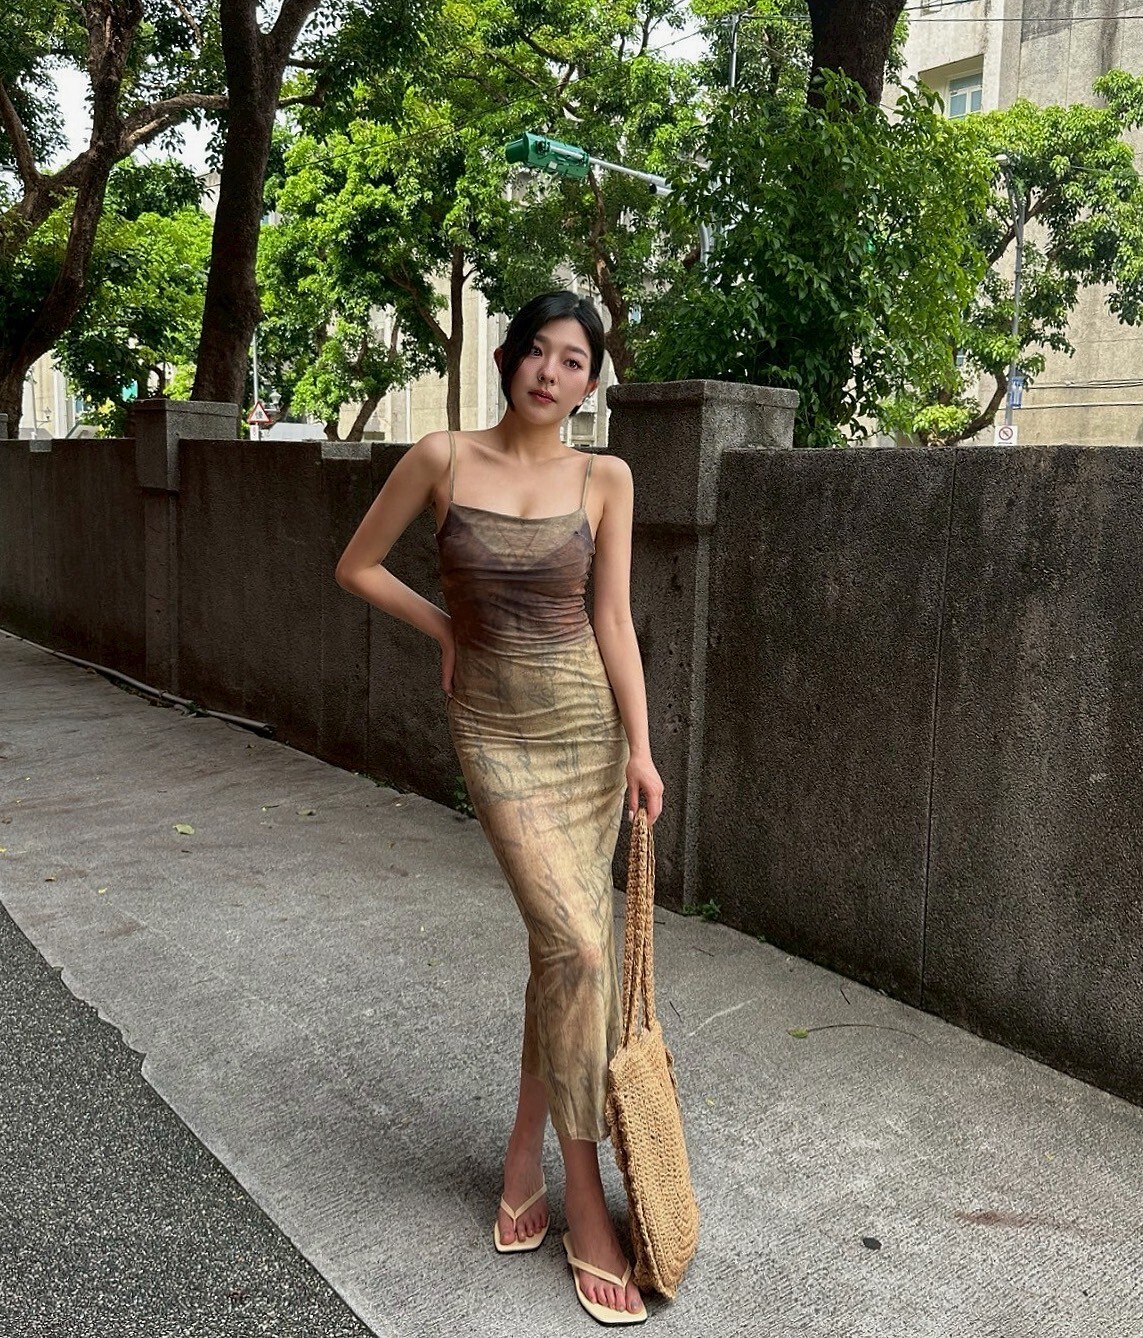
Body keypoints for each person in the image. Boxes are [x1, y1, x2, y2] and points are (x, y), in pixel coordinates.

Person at [335, 291, 663, 1326]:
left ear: (590, 382)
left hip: (586, 736)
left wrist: (643, 746)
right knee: (581, 946)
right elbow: (355, 565)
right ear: (508, 357)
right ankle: (584, 1200)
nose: (550, 373)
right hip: (493, 732)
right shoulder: (442, 458)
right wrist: (444, 628)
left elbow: (613, 621)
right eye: (537, 352)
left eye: (573, 361)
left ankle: (526, 1155)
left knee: (560, 954)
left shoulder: (604, 478)